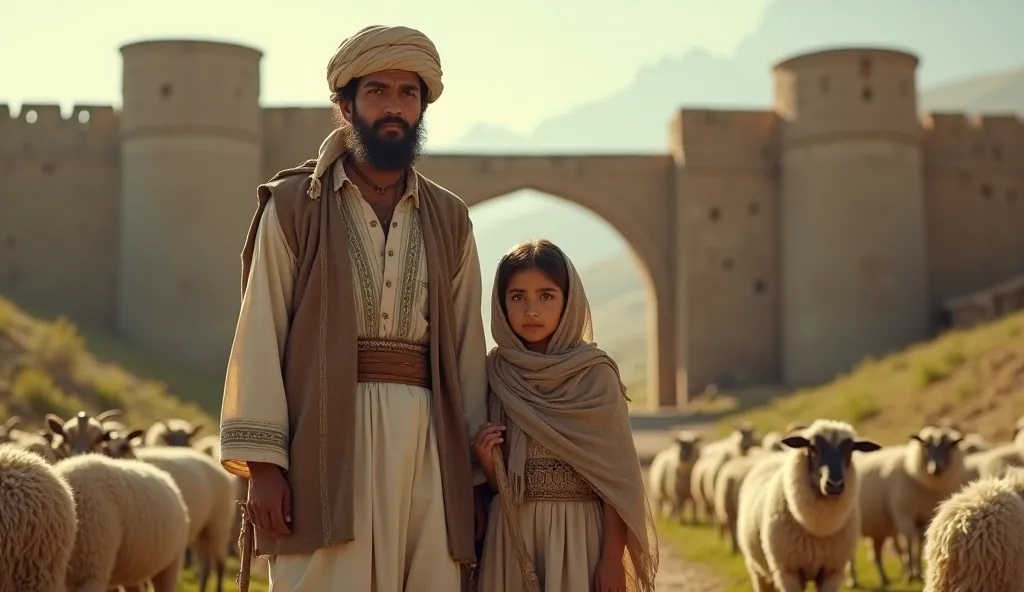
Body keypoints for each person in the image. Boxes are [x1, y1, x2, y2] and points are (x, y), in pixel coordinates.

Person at [218, 24, 490, 591]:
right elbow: (260, 330)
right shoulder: (294, 206)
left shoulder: (450, 217)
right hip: (322, 438)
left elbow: (467, 345)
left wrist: (472, 474)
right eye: (377, 91)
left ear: (422, 106)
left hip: (427, 445)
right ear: (345, 105)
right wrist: (265, 467)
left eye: (408, 93)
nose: (394, 106)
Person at [473, 239, 659, 592]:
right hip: (513, 536)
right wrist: (487, 462)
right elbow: (507, 487)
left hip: (580, 538)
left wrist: (610, 559)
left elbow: (617, 480)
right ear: (500, 304)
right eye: (517, 297)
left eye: (546, 296)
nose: (531, 309)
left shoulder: (595, 376)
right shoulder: (495, 373)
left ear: (568, 300)